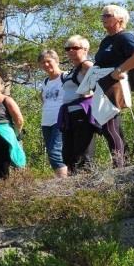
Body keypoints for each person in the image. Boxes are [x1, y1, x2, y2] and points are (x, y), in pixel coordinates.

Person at [90, 4, 134, 168]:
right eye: (102, 16)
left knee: (109, 126)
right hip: (103, 85)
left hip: (115, 86)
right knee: (110, 126)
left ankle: (119, 167)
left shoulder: (124, 37)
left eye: (107, 15)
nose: (103, 19)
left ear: (120, 19)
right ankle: (125, 163)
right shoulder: (106, 40)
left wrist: (119, 70)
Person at [57, 35, 96, 174]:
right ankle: (74, 185)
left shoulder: (86, 65)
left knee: (83, 152)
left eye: (75, 48)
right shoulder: (72, 70)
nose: (71, 51)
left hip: (82, 114)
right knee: (68, 153)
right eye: (68, 48)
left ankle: (86, 186)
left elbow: (99, 80)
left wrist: (89, 93)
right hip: (69, 115)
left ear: (85, 49)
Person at [38, 50, 68, 178]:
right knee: (52, 154)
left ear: (57, 61)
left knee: (55, 153)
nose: (46, 65)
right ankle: (64, 180)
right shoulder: (45, 82)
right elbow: (43, 99)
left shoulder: (66, 77)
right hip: (46, 121)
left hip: (61, 119)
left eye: (48, 61)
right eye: (42, 63)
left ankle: (63, 184)